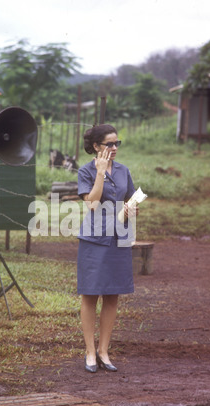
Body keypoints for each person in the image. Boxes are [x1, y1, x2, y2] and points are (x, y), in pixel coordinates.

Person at [77, 124, 137, 373]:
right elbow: (92, 203)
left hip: (118, 238)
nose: (114, 148)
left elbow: (130, 198)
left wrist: (131, 209)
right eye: (109, 144)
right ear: (96, 147)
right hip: (94, 240)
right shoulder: (85, 171)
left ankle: (104, 350)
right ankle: (90, 351)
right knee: (90, 295)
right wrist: (100, 173)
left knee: (113, 295)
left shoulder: (124, 171)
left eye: (117, 144)